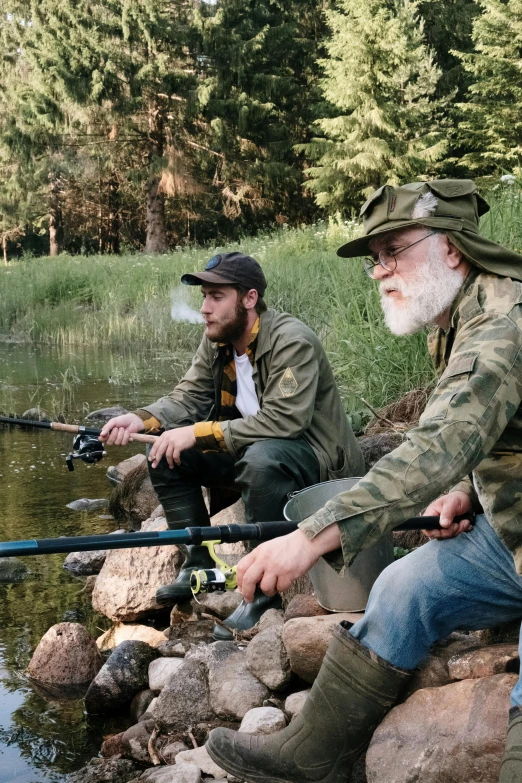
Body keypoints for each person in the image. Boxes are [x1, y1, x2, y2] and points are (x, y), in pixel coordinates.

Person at [205, 180, 522, 783]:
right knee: (402, 587)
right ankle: (311, 756)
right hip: (508, 534)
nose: (379, 271)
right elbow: (488, 435)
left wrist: (309, 539)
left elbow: (435, 446)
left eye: (393, 251)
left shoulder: (503, 324)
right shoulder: (457, 311)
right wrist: (471, 494)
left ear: (452, 248)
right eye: (375, 258)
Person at [100, 251, 364, 638]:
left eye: (216, 296)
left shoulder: (292, 341)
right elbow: (187, 396)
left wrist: (198, 431)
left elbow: (285, 421)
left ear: (249, 298)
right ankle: (200, 564)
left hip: (316, 460)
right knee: (163, 452)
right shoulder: (218, 340)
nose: (205, 308)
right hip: (258, 452)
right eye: (203, 297)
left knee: (257, 459)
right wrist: (141, 419)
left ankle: (261, 595)